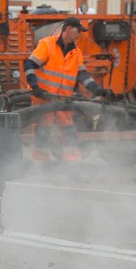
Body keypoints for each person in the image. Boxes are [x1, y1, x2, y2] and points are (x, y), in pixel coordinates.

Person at [23, 16, 109, 163]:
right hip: (43, 97)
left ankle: (74, 163)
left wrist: (99, 91)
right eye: (78, 31)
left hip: (63, 100)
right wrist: (35, 87)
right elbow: (30, 65)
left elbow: (83, 76)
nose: (79, 35)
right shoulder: (47, 45)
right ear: (68, 29)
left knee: (69, 130)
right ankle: (41, 163)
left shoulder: (76, 53)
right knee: (43, 130)